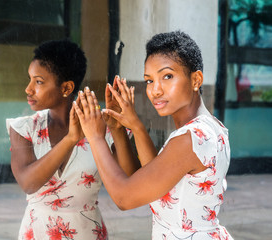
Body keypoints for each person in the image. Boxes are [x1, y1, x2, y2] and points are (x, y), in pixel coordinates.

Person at [73, 31, 233, 239]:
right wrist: (121, 128)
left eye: (167, 76)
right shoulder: (211, 128)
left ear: (196, 79)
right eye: (149, 80)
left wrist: (95, 137)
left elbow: (125, 198)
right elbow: (148, 182)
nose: (155, 90)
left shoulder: (190, 138)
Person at [6, 39, 137, 240]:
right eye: (30, 79)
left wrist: (117, 128)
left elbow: (131, 180)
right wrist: (71, 138)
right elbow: (28, 183)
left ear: (66, 88)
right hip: (37, 232)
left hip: (87, 232)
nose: (28, 89)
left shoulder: (101, 126)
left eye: (38, 81)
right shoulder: (24, 128)